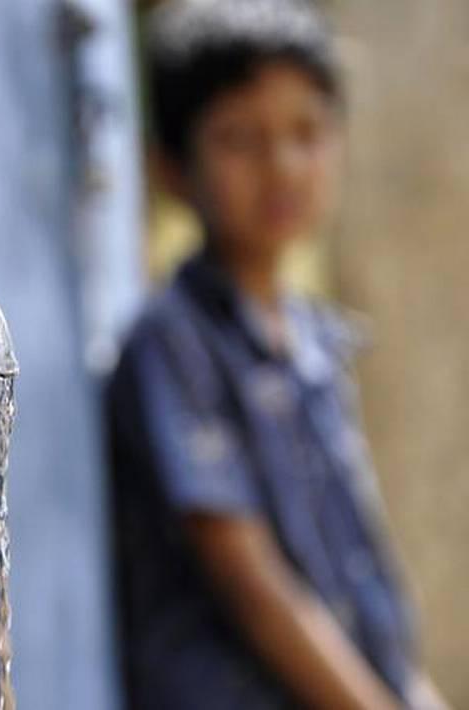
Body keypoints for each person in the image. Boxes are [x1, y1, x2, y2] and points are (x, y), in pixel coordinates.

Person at [105, 1, 449, 708]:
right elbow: (254, 585)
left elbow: (351, 584)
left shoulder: (318, 345)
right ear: (171, 166)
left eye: (307, 132)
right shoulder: (171, 342)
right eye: (240, 138)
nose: (283, 165)